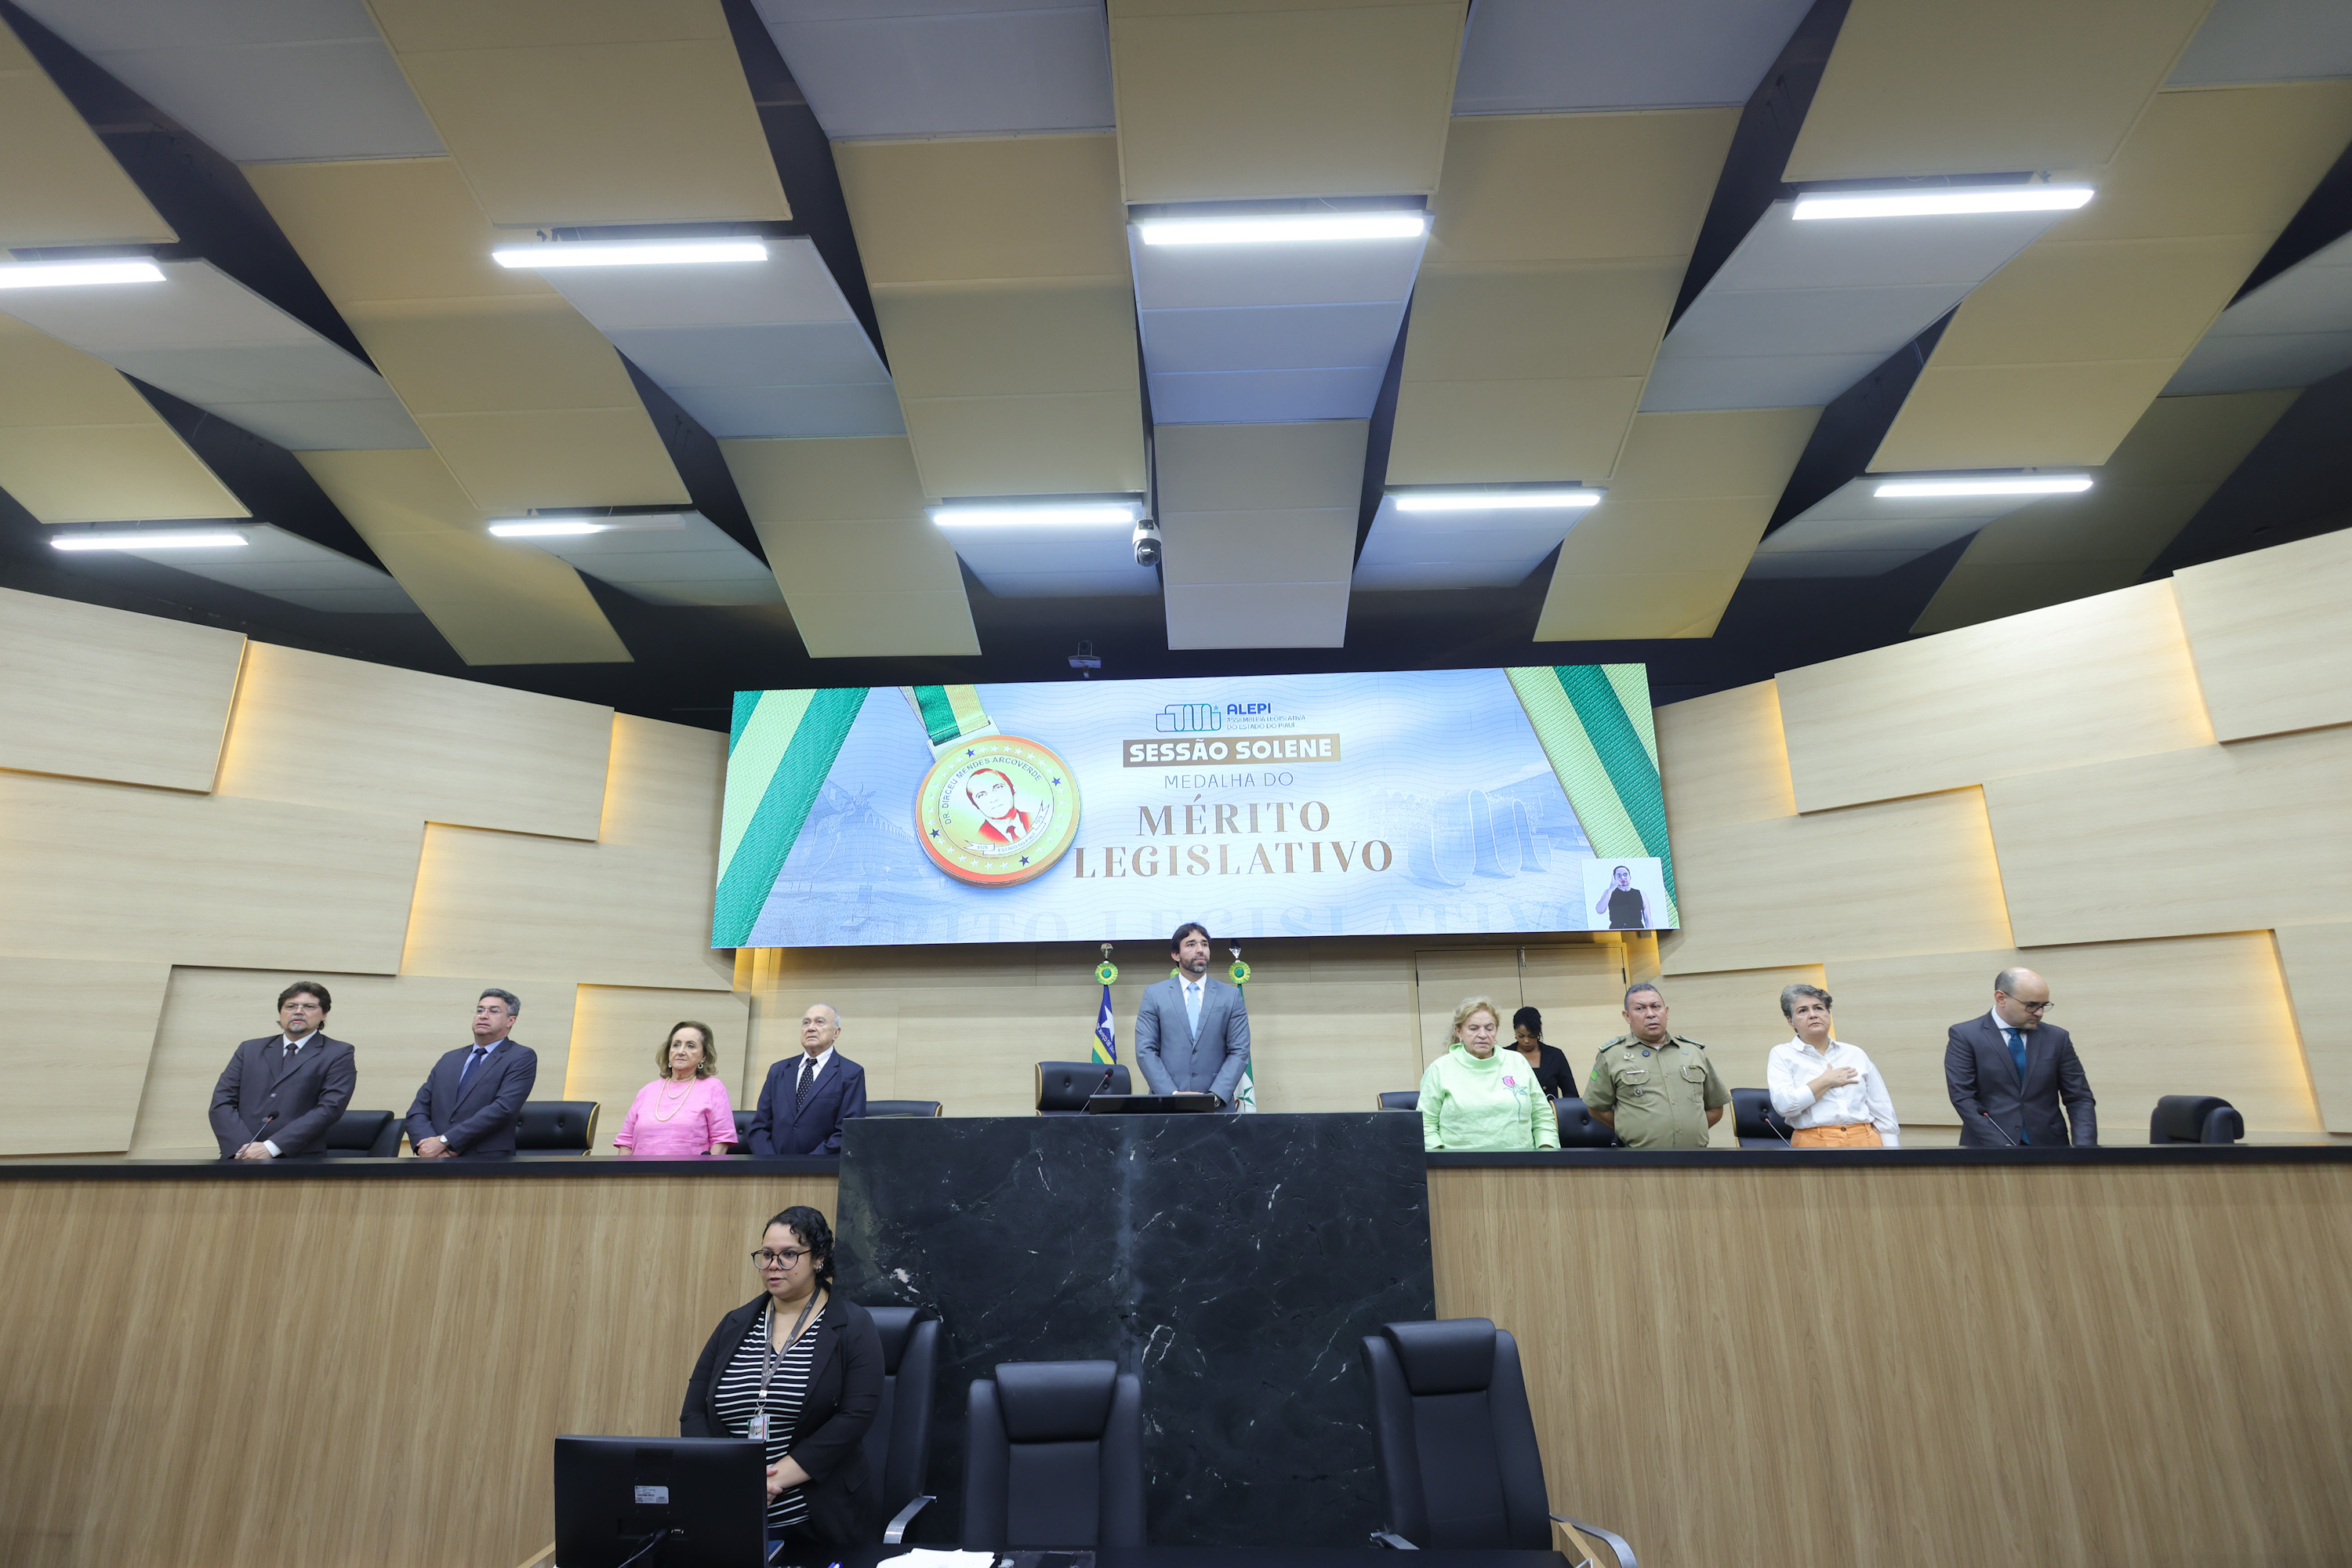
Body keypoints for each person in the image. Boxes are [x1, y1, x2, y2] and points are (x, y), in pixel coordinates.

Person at [682, 1207, 883, 1553]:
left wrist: (769, 1482)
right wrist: (729, 1478)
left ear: (818, 1259)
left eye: (788, 1255)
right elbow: (693, 1413)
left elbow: (856, 1416)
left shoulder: (852, 1325)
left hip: (816, 1522)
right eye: (766, 1255)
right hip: (731, 1511)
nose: (773, 1265)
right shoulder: (734, 1324)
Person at [1947, 967, 2096, 1147]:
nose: (2039, 1013)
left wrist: (2084, 1149)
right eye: (2031, 1006)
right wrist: (2003, 1148)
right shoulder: (1965, 1036)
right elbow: (1963, 1098)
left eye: (2043, 1006)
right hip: (1988, 1148)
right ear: (2001, 998)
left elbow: (2079, 1098)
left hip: (2049, 1146)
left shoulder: (2057, 1038)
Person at [209, 980, 358, 1159]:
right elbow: (222, 1101)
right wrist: (243, 1149)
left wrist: (271, 1148)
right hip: (240, 1157)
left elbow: (330, 1108)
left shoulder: (338, 1053)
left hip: (298, 1159)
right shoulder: (250, 1049)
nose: (298, 1011)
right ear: (281, 1012)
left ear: (324, 1014)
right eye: (291, 1006)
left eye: (309, 1006)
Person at [1585, 982, 1727, 1150]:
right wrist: (1630, 1130)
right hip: (1641, 1158)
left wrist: (1693, 1128)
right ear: (1627, 1016)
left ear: (1666, 1012)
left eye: (1656, 1007)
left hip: (1695, 1156)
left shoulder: (1693, 1052)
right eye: (1640, 1009)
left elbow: (1716, 1106)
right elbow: (1596, 1108)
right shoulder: (1611, 1055)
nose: (1650, 1014)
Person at [404, 989, 538, 1158]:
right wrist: (428, 1146)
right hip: (434, 1160)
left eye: (494, 1011)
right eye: (480, 1010)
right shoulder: (450, 1058)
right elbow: (418, 1109)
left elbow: (503, 1109)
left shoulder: (520, 1057)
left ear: (511, 1020)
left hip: (486, 1160)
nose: (483, 1016)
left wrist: (445, 1142)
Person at [1766, 984, 1900, 1147]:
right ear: (1791, 1021)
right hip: (1814, 1141)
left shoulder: (1855, 1053)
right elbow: (1785, 1106)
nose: (1813, 1015)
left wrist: (1892, 1153)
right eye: (1803, 1011)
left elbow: (1883, 1109)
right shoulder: (1782, 1054)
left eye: (1818, 1008)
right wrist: (1826, 1081)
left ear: (1828, 1014)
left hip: (1865, 1139)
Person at [1133, 921, 1250, 1108]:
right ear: (1176, 955)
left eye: (1204, 944)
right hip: (1166, 1106)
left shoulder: (1231, 996)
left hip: (1217, 1106)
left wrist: (1214, 1096)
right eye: (1191, 944)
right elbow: (1145, 1051)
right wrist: (1172, 1094)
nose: (1200, 950)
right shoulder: (1154, 995)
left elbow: (1239, 1051)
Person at [1420, 996, 1559, 1152]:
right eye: (1474, 1028)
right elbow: (1425, 1125)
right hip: (1458, 1164)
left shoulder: (1517, 1062)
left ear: (1496, 1030)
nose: (1483, 1034)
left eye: (1489, 1028)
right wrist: (1439, 1162)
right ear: (1459, 1032)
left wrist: (1547, 1154)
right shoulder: (1440, 1069)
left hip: (1521, 1162)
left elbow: (1542, 1116)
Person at [748, 1004, 867, 1156]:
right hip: (774, 1166)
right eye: (806, 1023)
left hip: (821, 1167)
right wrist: (772, 1162)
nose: (810, 1028)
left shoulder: (851, 1073)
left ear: (836, 1033)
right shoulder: (778, 1071)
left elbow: (848, 1132)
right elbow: (760, 1127)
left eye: (819, 1022)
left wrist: (808, 1164)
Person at [612, 1021, 735, 1158]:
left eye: (690, 1046)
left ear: (703, 1056)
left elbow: (721, 1140)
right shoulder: (647, 1091)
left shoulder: (714, 1087)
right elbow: (626, 1142)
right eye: (676, 1045)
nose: (681, 1051)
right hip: (641, 1171)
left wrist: (707, 1170)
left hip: (690, 1171)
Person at [1508, 1006, 1576, 1100]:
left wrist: (1556, 1107)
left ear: (1538, 1033)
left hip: (1549, 1109)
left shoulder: (1555, 1056)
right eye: (1521, 1036)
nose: (1526, 1041)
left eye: (1532, 1036)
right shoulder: (1505, 1055)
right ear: (1515, 1032)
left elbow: (1571, 1094)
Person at [965, 768, 1033, 845]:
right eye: (981, 795)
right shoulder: (979, 840)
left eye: (998, 787)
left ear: (1013, 790)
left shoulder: (1033, 818)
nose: (993, 799)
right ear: (975, 807)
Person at [1594, 864, 1648, 930]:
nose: (1622, 877)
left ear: (1630, 877)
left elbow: (1648, 918)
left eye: (1625, 874)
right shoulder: (1609, 892)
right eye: (1619, 875)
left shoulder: (1640, 893)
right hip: (1616, 930)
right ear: (1614, 878)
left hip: (1637, 930)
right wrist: (1611, 889)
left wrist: (1650, 933)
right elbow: (1600, 910)